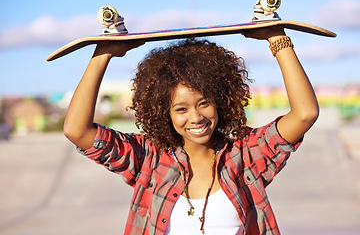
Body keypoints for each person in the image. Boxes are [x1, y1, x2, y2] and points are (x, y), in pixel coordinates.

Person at [64, 26, 319, 235]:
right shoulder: (149, 159)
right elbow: (77, 130)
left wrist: (277, 39)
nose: (196, 117)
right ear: (166, 113)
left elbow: (305, 113)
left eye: (204, 103)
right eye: (181, 109)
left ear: (220, 100)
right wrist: (103, 53)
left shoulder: (245, 155)